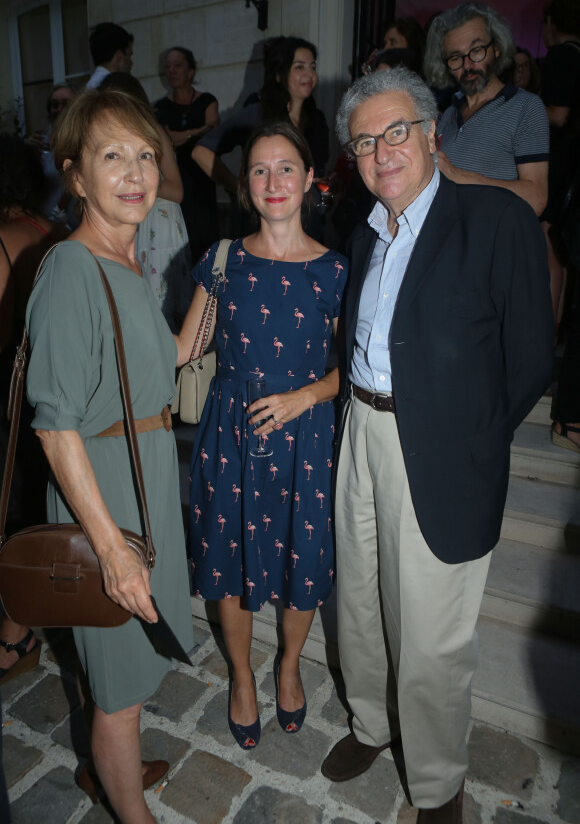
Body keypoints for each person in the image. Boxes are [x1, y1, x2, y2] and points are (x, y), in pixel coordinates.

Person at [321, 68, 553, 823]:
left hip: (443, 446)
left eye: (396, 132)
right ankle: (370, 722)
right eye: (364, 140)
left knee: (430, 638)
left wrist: (477, 437)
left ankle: (436, 779)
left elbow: (529, 360)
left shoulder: (496, 221)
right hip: (360, 428)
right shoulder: (364, 233)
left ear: (430, 136)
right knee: (357, 603)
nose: (381, 151)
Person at [25, 90, 193, 822]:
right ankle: (131, 808)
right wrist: (113, 552)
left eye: (146, 154)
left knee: (129, 672)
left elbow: (153, 372)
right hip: (107, 499)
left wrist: (213, 297)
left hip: (145, 477)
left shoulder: (125, 264)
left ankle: (110, 768)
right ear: (76, 176)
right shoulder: (71, 269)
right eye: (112, 155)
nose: (135, 172)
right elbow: (54, 426)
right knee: (118, 695)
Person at [177, 121, 347, 749]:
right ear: (246, 185)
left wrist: (304, 396)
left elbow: (352, 368)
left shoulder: (336, 271)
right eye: (259, 169)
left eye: (285, 168)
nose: (273, 181)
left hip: (306, 435)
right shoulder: (223, 260)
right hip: (233, 435)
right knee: (231, 563)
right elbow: (182, 347)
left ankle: (289, 665)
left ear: (308, 179)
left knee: (302, 560)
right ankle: (243, 677)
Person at [0, 135, 68, 685]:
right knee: (33, 507)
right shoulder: (55, 234)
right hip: (49, 391)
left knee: (12, 515)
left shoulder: (4, 240)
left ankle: (15, 633)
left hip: (10, 395)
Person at [192, 36, 329, 241]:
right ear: (278, 74)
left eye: (313, 67)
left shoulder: (317, 120)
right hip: (264, 228)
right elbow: (200, 152)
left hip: (308, 226)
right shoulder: (257, 114)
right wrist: (240, 188)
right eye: (299, 67)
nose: (309, 74)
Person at [423, 2, 549, 217]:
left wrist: (458, 176)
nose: (468, 65)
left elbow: (536, 198)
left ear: (497, 47)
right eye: (455, 57)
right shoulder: (448, 115)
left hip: (493, 245)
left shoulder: (526, 107)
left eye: (477, 50)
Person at [99, 72, 192, 331]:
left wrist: (141, 181)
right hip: (138, 227)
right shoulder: (117, 138)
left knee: (163, 312)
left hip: (160, 230)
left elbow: (177, 190)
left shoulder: (154, 132)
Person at [154, 47, 220, 261]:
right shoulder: (160, 107)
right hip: (177, 181)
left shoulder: (207, 101)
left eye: (178, 65)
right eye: (168, 66)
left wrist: (178, 136)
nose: (171, 70)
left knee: (207, 244)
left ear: (191, 71)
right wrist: (197, 131)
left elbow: (214, 129)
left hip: (203, 180)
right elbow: (167, 138)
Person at [540, 0, 580, 327]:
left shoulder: (560, 58)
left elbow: (559, 114)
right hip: (573, 159)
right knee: (562, 247)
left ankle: (547, 328)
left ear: (552, 23)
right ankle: (557, 325)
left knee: (548, 238)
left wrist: (524, 109)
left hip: (559, 158)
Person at [27, 83, 77, 227]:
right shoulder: (44, 142)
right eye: (54, 105)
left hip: (73, 227)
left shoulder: (84, 139)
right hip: (44, 225)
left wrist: (57, 212)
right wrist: (28, 156)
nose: (59, 109)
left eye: (66, 104)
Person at [85, 22, 134, 90]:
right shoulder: (110, 90)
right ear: (119, 56)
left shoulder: (92, 87)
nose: (131, 63)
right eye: (129, 55)